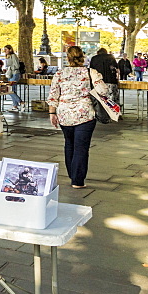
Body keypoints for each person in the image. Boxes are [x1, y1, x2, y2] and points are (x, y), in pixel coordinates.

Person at [47, 45, 109, 189]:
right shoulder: (90, 72)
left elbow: (53, 95)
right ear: (82, 56)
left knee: (69, 144)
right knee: (81, 147)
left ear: (67, 58)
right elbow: (103, 90)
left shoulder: (60, 73)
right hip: (85, 114)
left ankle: (72, 174)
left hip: (64, 114)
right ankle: (77, 180)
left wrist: (52, 113)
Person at [2, 44, 23, 112]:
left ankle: (20, 101)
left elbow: (17, 65)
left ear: (10, 49)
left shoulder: (13, 56)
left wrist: (10, 68)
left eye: (6, 49)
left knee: (10, 90)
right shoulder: (8, 56)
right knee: (13, 90)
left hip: (14, 73)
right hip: (10, 74)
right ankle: (15, 105)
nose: (5, 51)